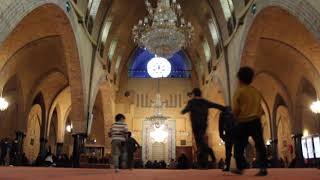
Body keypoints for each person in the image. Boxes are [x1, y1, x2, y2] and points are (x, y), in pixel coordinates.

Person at [231, 67, 268, 176]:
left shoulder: (239, 92)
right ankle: (263, 168)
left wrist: (236, 117)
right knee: (260, 145)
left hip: (243, 122)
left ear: (239, 79)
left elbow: (236, 109)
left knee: (238, 146)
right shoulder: (256, 91)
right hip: (256, 121)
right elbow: (260, 109)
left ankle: (240, 167)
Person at [181, 88, 225, 169]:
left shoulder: (191, 102)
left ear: (194, 94)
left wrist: (183, 111)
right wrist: (224, 108)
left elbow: (185, 110)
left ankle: (210, 153)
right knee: (200, 145)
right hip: (203, 125)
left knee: (200, 143)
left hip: (196, 125)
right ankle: (202, 164)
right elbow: (215, 105)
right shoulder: (205, 102)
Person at [218, 107, 235, 171]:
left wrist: (221, 135)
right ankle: (240, 165)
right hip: (235, 132)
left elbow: (220, 125)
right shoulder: (234, 112)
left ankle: (227, 166)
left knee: (228, 151)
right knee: (238, 149)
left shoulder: (222, 114)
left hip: (227, 134)